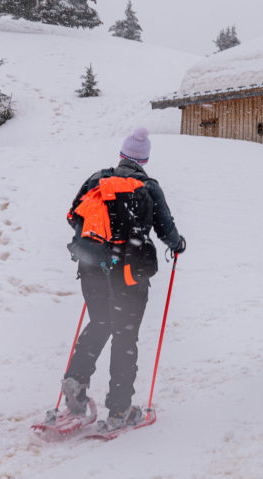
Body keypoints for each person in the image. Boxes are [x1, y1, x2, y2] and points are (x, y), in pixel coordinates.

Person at [61, 126, 185, 430]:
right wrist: (178, 244)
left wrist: (100, 247)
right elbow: (166, 230)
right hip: (129, 273)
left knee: (101, 323)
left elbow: (72, 217)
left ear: (121, 155)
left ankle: (76, 381)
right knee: (125, 335)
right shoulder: (148, 186)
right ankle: (119, 410)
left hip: (91, 268)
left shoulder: (96, 180)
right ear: (143, 159)